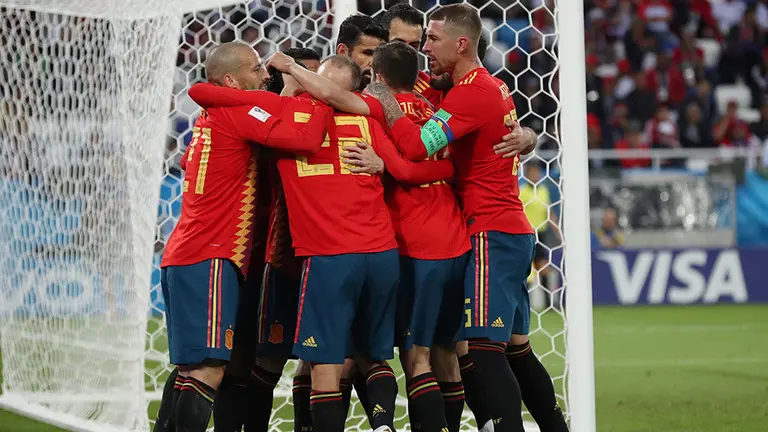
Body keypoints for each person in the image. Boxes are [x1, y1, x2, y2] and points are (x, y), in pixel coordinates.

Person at [190, 54, 456, 432]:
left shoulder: (291, 119)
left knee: (324, 365)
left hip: (327, 258)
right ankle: (382, 425)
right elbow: (405, 167)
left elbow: (209, 101)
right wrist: (443, 168)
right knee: (373, 356)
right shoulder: (368, 119)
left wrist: (288, 85)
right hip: (382, 254)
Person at [364, 5, 566, 432]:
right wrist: (527, 133)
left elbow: (419, 146)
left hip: (490, 231)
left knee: (481, 348)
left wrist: (383, 101)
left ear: (461, 43)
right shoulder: (478, 86)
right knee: (515, 348)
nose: (424, 50)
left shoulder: (472, 92)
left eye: (431, 41)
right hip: (505, 229)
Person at [153, 41, 333, 432]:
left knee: (194, 371)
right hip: (210, 257)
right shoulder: (236, 113)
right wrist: (322, 98)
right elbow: (305, 139)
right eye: (255, 68)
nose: (264, 75)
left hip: (187, 254)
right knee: (207, 372)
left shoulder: (211, 115)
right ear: (232, 80)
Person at [336, 14, 388, 89]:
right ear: (342, 52)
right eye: (367, 53)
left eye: (380, 55)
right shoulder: (316, 96)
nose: (374, 63)